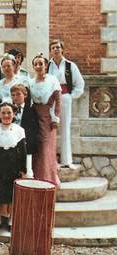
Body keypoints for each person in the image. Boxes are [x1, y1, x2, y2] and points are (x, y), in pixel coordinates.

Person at [0, 102, 26, 231]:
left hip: (12, 163)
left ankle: (9, 220)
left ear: (13, 115)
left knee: (9, 192)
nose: (6, 115)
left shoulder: (19, 130)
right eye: (3, 113)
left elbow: (22, 151)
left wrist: (23, 169)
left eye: (9, 113)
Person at [48, 39, 85, 168]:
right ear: (50, 51)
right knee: (51, 129)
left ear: (62, 49)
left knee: (65, 128)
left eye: (58, 47)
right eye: (53, 47)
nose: (56, 49)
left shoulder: (70, 66)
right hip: (51, 100)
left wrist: (71, 96)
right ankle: (51, 161)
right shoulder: (47, 66)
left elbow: (79, 84)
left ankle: (66, 161)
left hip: (65, 98)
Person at [29, 53, 61, 187]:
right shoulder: (30, 82)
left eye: (41, 64)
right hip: (35, 118)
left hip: (48, 118)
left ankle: (49, 180)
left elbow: (58, 102)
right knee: (37, 149)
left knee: (46, 149)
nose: (38, 66)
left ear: (46, 65)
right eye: (35, 64)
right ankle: (38, 179)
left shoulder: (52, 81)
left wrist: (56, 118)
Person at [11, 84, 39, 178]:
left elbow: (33, 129)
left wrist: (28, 142)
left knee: (27, 170)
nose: (15, 97)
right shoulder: (9, 110)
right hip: (12, 143)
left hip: (26, 144)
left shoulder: (30, 110)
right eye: (13, 95)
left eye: (18, 94)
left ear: (25, 95)